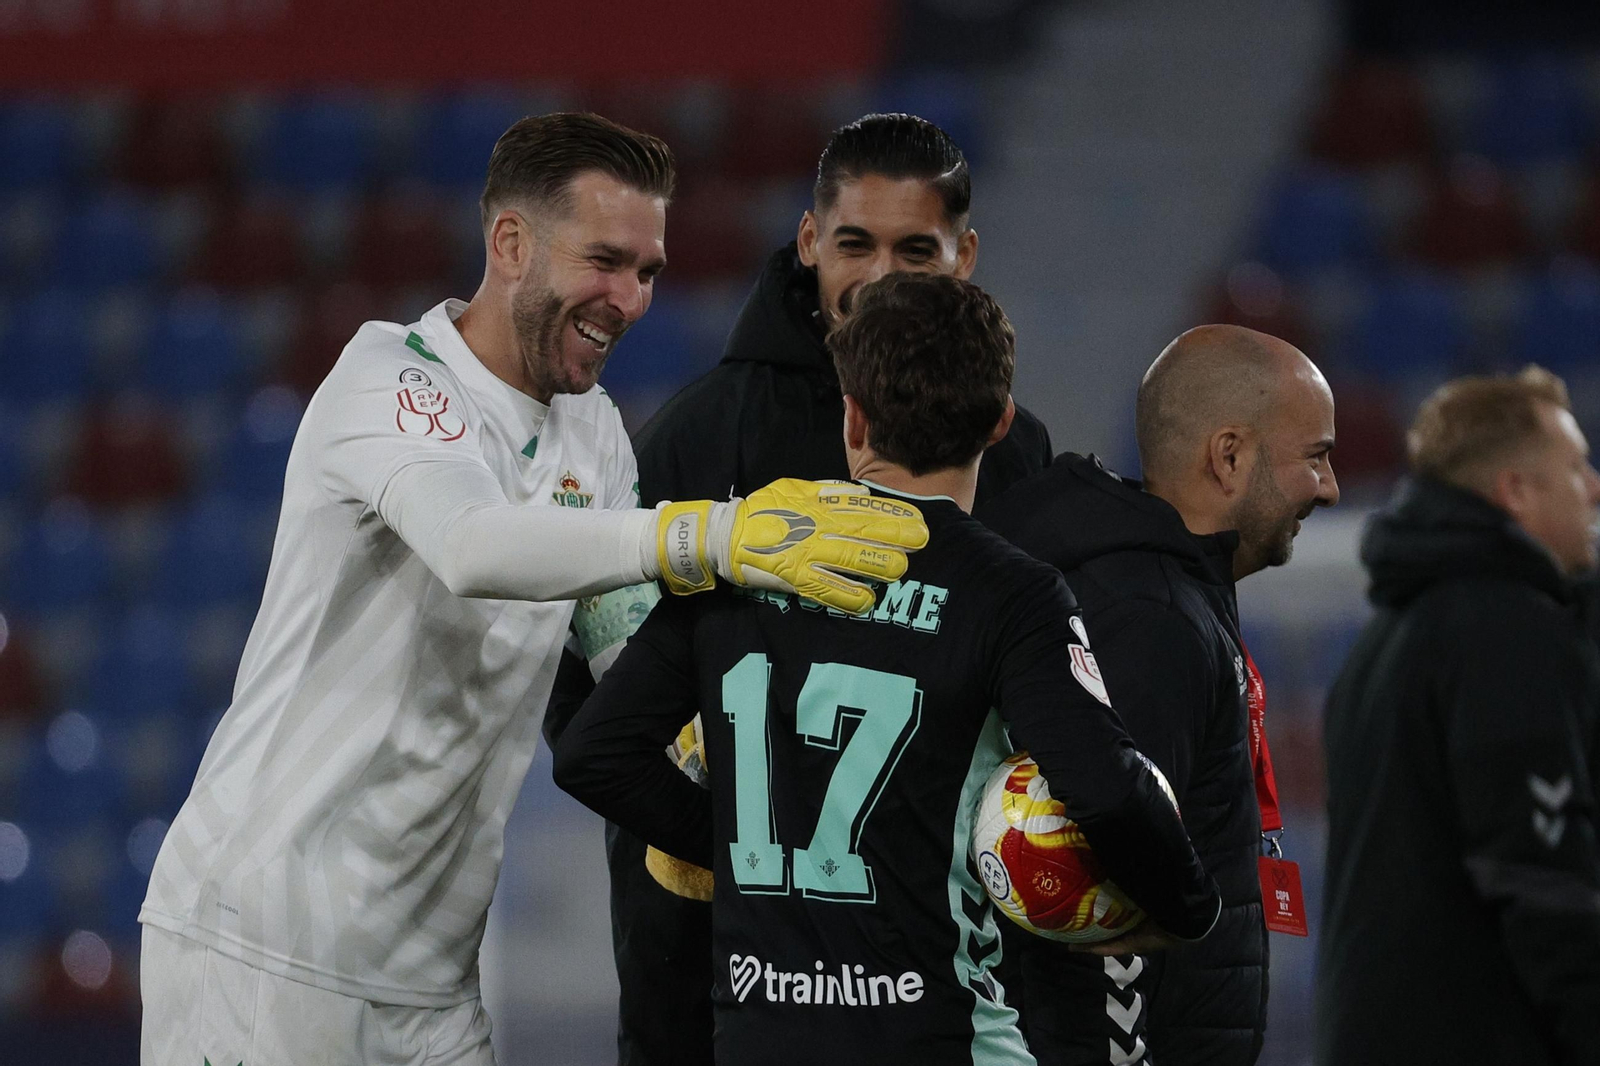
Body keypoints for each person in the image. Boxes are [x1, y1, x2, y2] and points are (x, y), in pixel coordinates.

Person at [135, 112, 927, 1066]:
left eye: (648, 272)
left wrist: (746, 777)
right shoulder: (388, 377)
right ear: (509, 243)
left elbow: (629, 654)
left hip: (435, 982)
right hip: (263, 951)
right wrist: (718, 535)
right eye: (605, 261)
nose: (630, 300)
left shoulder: (591, 436)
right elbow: (472, 544)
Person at [551, 272, 1222, 1066]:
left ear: (854, 414)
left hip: (759, 1037)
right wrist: (1188, 911)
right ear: (1001, 423)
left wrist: (736, 845)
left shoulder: (753, 558)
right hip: (938, 1038)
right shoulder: (1012, 593)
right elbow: (1108, 787)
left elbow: (593, 754)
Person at [541, 111, 1055, 1065]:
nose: (879, 276)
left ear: (965, 255)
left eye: (917, 250)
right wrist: (728, 843)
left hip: (938, 970)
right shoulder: (697, 441)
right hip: (706, 969)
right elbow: (585, 701)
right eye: (854, 243)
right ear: (810, 241)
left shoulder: (1012, 452)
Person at [981, 324, 1340, 1066]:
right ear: (1230, 455)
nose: (1329, 488)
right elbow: (1105, 910)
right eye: (1316, 457)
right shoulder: (1152, 621)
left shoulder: (1161, 593)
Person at [1316, 367, 1600, 1066]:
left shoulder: (1388, 638)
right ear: (1517, 491)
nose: (1593, 486)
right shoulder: (1505, 629)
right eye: (1575, 466)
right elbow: (1541, 879)